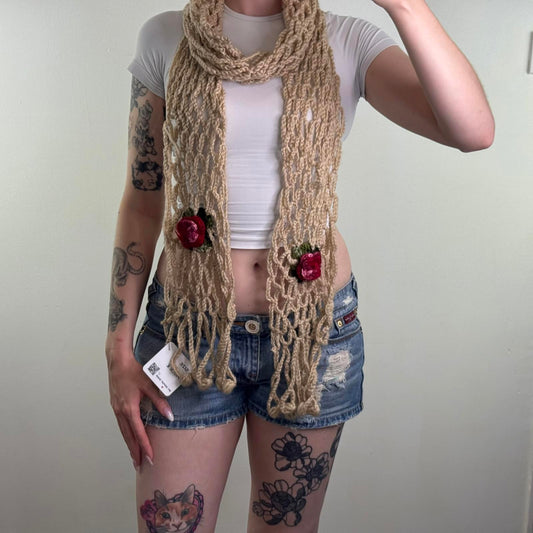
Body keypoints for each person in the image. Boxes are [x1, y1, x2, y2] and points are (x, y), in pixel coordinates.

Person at [105, 0, 494, 531]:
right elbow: (143, 200)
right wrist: (116, 348)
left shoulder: (348, 41)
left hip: (312, 338)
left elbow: (472, 131)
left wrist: (404, 5)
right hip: (188, 332)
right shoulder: (167, 36)